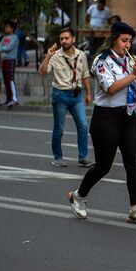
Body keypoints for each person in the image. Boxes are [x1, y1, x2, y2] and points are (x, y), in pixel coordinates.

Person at [67, 21, 136, 225]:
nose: (128, 45)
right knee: (103, 166)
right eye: (124, 40)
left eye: (130, 41)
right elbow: (111, 89)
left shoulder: (130, 61)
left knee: (133, 163)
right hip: (106, 117)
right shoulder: (101, 60)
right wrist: (133, 75)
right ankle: (79, 195)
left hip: (128, 116)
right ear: (114, 39)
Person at [39, 27, 94, 168]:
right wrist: (47, 56)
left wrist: (88, 93)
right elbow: (43, 72)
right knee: (59, 128)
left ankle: (83, 157)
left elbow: (85, 75)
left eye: (66, 38)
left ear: (73, 39)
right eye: (61, 38)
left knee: (83, 126)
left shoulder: (81, 55)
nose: (64, 41)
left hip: (76, 95)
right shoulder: (55, 56)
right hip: (60, 95)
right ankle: (58, 157)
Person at [0, 21, 19, 108]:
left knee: (10, 79)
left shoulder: (15, 37)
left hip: (11, 59)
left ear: (12, 28)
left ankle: (14, 98)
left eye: (8, 27)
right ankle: (8, 98)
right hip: (4, 60)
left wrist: (3, 49)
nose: (6, 28)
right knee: (5, 79)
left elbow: (9, 47)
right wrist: (3, 48)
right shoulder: (5, 37)